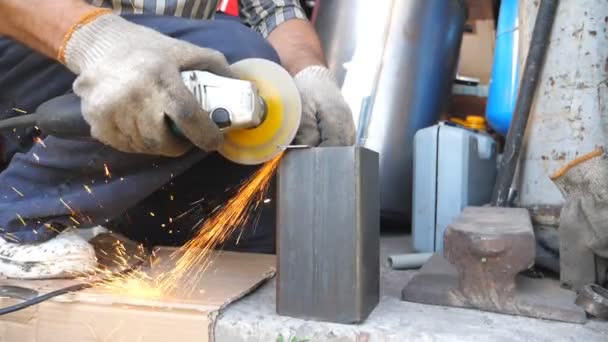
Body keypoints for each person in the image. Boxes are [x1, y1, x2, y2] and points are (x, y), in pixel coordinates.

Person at [0, 0, 355, 279]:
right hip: (42, 46)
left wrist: (309, 73)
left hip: (165, 66)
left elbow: (276, 10)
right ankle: (16, 216)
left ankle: (125, 219)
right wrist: (97, 44)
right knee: (234, 52)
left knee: (253, 248)